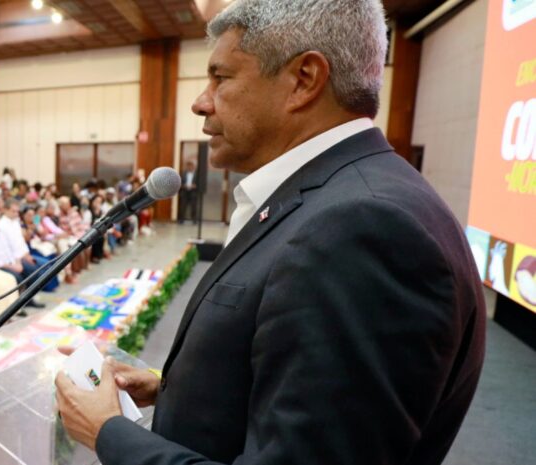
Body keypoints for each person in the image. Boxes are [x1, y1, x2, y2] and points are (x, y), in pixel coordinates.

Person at [54, 2, 486, 465]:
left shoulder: (362, 228)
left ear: (303, 80)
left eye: (221, 78)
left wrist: (108, 433)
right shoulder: (338, 199)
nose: (201, 102)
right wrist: (171, 387)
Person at [0, 208, 44, 308]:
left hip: (13, 261)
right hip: (0, 266)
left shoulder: (1, 231)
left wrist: (18, 262)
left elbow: (12, 248)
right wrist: (12, 267)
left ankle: (28, 299)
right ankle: (16, 305)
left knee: (33, 270)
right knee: (18, 278)